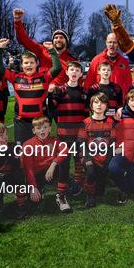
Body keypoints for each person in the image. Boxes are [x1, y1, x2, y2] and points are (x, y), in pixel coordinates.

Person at [0, 38, 61, 144]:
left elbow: (57, 67)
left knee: (40, 153)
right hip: (21, 123)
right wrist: (0, 49)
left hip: (40, 122)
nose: (28, 65)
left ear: (37, 64)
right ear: (21, 65)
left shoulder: (44, 77)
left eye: (31, 62)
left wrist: (52, 50)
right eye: (26, 63)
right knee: (21, 154)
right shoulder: (15, 77)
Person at [50, 61, 88, 195]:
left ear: (81, 74)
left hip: (79, 134)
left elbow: (86, 114)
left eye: (77, 70)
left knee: (79, 160)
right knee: (64, 162)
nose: (74, 72)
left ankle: (78, 185)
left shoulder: (84, 92)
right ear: (67, 72)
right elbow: (51, 108)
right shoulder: (59, 90)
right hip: (63, 134)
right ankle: (61, 190)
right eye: (71, 69)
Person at [13, 8, 76, 87]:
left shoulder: (72, 60)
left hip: (60, 96)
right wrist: (18, 21)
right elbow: (24, 40)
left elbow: (77, 81)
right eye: (56, 38)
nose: (58, 40)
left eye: (61, 38)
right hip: (42, 92)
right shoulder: (43, 50)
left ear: (66, 41)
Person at [21, 116, 71, 213]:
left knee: (64, 160)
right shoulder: (28, 145)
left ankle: (60, 196)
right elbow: (29, 169)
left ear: (50, 128)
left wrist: (53, 163)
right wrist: (33, 187)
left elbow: (65, 150)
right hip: (37, 175)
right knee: (34, 202)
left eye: (45, 127)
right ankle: (41, 188)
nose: (42, 130)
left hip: (51, 172)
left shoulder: (55, 140)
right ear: (33, 131)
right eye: (38, 128)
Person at [77, 93, 118, 208]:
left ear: (106, 106)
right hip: (89, 156)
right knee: (90, 172)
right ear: (91, 106)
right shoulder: (85, 123)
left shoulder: (111, 123)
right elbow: (81, 143)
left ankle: (100, 180)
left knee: (100, 191)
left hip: (104, 157)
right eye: (96, 102)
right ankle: (89, 195)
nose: (99, 105)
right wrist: (88, 159)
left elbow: (112, 144)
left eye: (102, 102)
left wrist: (108, 161)